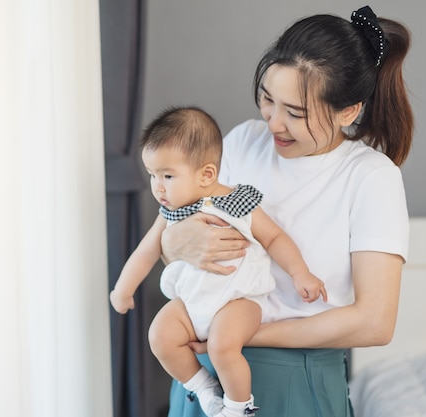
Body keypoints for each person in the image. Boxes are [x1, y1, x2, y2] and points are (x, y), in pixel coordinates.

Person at [161, 6, 413, 417]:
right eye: (267, 99)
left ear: (347, 111)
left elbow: (374, 322)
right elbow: (175, 236)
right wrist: (175, 243)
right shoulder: (243, 141)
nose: (274, 122)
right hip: (203, 377)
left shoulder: (370, 177)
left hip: (296, 376)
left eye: (295, 113)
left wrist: (243, 336)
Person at [110, 105, 327, 417]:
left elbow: (275, 238)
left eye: (168, 176)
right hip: (191, 303)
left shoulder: (240, 203)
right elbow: (146, 251)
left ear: (207, 174)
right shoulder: (169, 213)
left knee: (222, 346)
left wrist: (300, 273)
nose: (157, 187)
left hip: (238, 301)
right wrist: (123, 290)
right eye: (152, 175)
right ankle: (203, 387)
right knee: (159, 335)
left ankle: (239, 407)